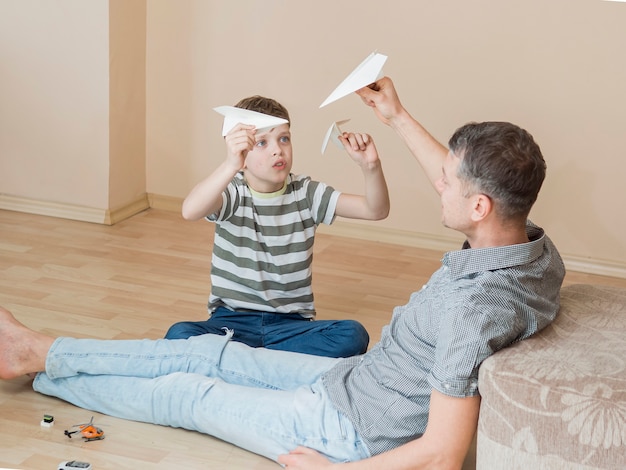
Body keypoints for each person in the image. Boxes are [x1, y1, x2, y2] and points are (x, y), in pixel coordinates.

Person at [0, 77, 564, 470]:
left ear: (479, 208)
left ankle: (45, 368)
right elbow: (465, 181)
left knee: (188, 392)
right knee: (200, 354)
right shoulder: (535, 250)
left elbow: (441, 455)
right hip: (351, 384)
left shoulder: (475, 307)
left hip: (342, 430)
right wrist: (394, 116)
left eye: (448, 181)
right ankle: (40, 350)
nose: (438, 181)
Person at [164, 95, 390, 358]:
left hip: (290, 326)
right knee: (178, 334)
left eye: (284, 138)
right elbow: (190, 210)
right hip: (232, 322)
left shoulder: (306, 193)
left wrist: (371, 167)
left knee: (352, 335)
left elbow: (376, 210)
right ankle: (277, 364)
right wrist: (229, 164)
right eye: (262, 142)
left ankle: (246, 362)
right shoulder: (233, 192)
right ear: (241, 154)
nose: (277, 150)